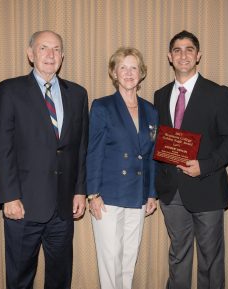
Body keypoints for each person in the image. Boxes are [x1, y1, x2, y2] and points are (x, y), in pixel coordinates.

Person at [0, 30, 88, 289]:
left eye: (56, 49)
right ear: (30, 53)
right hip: (23, 204)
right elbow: (1, 147)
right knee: (20, 278)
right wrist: (8, 196)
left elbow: (80, 148)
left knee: (60, 278)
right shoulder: (9, 90)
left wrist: (80, 191)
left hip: (63, 206)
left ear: (63, 56)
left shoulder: (77, 94)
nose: (50, 54)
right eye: (43, 48)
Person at [154, 30, 228, 289]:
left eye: (189, 49)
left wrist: (205, 165)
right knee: (178, 255)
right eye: (178, 50)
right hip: (172, 191)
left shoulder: (218, 93)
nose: (183, 54)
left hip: (207, 187)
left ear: (198, 55)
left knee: (210, 259)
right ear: (170, 57)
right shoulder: (160, 95)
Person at [87, 47, 158, 289]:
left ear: (141, 73)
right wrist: (92, 194)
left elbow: (150, 156)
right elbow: (93, 152)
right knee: (110, 259)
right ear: (114, 73)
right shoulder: (102, 106)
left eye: (134, 67)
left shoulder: (151, 110)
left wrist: (152, 193)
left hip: (137, 195)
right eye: (123, 67)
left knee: (129, 258)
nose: (129, 73)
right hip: (108, 195)